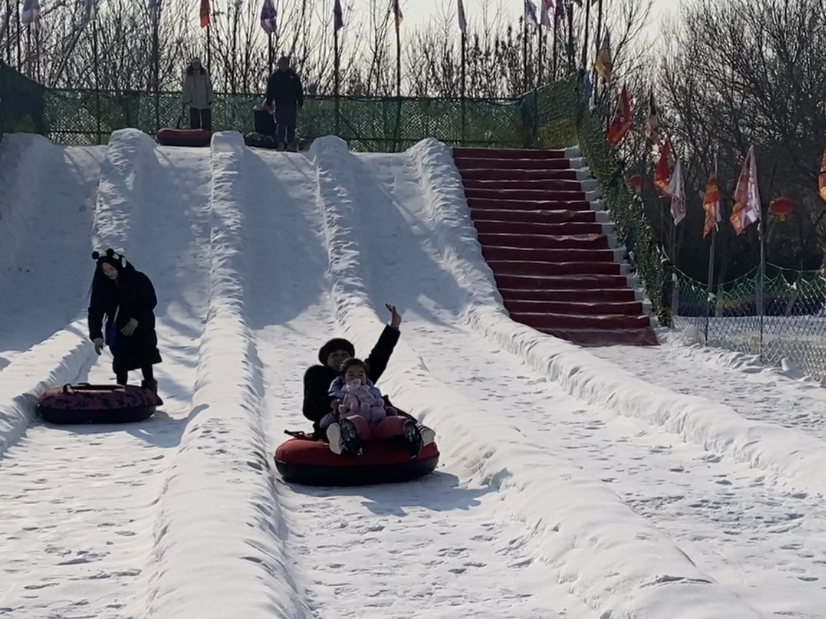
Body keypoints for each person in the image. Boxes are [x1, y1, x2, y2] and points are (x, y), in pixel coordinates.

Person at [302, 303, 402, 436]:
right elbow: (310, 407)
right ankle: (345, 437)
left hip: (372, 420)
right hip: (335, 422)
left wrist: (393, 327)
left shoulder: (359, 373)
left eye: (344, 354)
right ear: (326, 361)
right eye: (334, 355)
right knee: (343, 427)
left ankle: (415, 434)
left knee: (397, 419)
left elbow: (379, 355)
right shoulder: (318, 374)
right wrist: (332, 403)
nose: (340, 358)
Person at [88, 249, 162, 392]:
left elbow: (149, 301)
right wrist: (96, 335)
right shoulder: (102, 286)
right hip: (119, 329)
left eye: (111, 269)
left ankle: (150, 389)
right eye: (105, 271)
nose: (109, 273)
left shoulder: (138, 279)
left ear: (120, 264)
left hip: (142, 327)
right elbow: (96, 310)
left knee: (145, 358)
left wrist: (135, 320)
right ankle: (121, 392)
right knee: (121, 362)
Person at [320, 358, 422, 458]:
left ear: (366, 377)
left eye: (361, 374)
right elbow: (324, 422)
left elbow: (382, 406)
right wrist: (333, 414)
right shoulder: (341, 397)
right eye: (351, 375)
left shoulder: (374, 393)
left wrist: (388, 411)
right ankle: (348, 436)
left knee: (392, 421)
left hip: (379, 425)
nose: (357, 377)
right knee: (356, 420)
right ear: (343, 379)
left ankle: (409, 432)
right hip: (361, 431)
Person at [262, 55, 304, 151]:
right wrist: (269, 102)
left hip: (291, 104)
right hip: (280, 104)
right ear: (279, 64)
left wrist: (300, 102)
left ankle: (290, 143)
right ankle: (280, 142)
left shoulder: (293, 76)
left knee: (291, 124)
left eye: (285, 63)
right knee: (280, 124)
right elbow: (270, 90)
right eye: (282, 64)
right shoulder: (275, 77)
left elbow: (299, 90)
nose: (284, 66)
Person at [182, 56, 214, 132]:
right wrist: (186, 99)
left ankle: (207, 135)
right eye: (194, 64)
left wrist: (210, 99)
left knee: (206, 122)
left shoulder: (204, 74)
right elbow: (186, 88)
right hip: (193, 102)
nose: (196, 65)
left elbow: (209, 87)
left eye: (197, 64)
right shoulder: (189, 75)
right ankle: (195, 135)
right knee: (194, 122)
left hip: (204, 101)